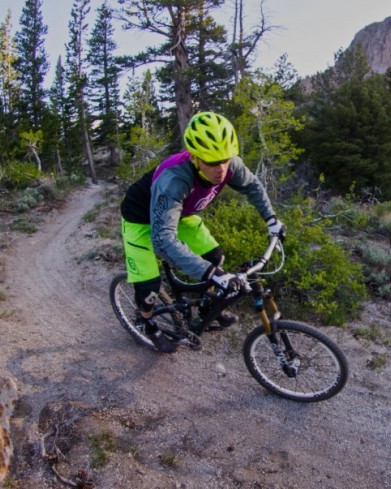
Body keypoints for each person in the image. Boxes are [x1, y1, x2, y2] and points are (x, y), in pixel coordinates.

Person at [119, 111, 285, 353]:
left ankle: (207, 306)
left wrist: (271, 219)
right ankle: (148, 323)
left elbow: (252, 185)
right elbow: (162, 241)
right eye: (212, 162)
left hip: (179, 215)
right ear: (195, 157)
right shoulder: (174, 180)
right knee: (149, 288)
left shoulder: (229, 165)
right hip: (140, 220)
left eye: (225, 160)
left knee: (214, 256)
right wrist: (212, 274)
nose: (221, 169)